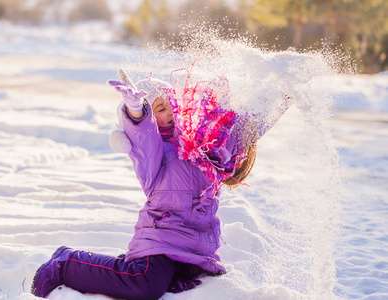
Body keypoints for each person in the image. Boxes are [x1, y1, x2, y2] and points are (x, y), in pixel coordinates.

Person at [31, 74, 257, 299]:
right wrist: (136, 109)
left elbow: (238, 134)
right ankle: (65, 264)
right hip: (161, 242)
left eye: (171, 105)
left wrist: (276, 98)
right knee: (144, 283)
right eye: (159, 109)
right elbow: (143, 137)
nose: (169, 113)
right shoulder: (155, 152)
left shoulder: (200, 144)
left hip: (193, 249)